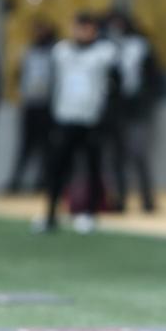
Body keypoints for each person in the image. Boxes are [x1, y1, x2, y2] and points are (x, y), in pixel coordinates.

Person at [36, 12, 118, 234]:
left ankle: (89, 213)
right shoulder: (61, 52)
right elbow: (53, 84)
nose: (81, 32)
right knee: (57, 168)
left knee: (92, 168)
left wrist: (106, 116)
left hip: (91, 119)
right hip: (65, 117)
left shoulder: (105, 53)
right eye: (78, 27)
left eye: (86, 27)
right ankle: (50, 214)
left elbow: (114, 87)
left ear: (94, 30)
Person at [103, 9, 162, 212]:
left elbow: (152, 75)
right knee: (116, 157)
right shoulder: (107, 47)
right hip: (116, 108)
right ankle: (119, 200)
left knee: (138, 154)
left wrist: (147, 98)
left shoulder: (140, 45)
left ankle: (147, 200)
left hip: (136, 106)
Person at [6, 18, 57, 193]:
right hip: (30, 105)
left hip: (48, 105)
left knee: (47, 147)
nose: (37, 34)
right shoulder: (28, 52)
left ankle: (43, 181)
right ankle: (16, 181)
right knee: (25, 146)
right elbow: (20, 74)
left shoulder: (56, 52)